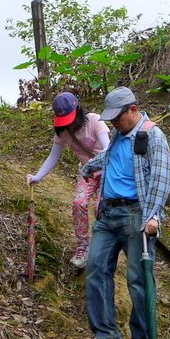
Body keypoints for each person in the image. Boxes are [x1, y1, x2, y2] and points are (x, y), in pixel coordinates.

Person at [77, 86, 170, 339]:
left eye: (117, 118)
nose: (114, 124)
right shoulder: (118, 135)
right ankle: (106, 334)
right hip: (107, 215)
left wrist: (153, 216)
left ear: (133, 110)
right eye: (111, 120)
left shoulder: (152, 136)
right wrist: (88, 167)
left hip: (136, 215)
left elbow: (161, 179)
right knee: (96, 268)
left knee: (137, 279)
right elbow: (109, 158)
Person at [27, 92, 110, 269]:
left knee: (100, 207)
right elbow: (53, 156)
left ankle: (102, 247)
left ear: (77, 109)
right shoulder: (63, 132)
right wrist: (38, 176)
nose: (69, 123)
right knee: (78, 203)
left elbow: (108, 150)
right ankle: (83, 248)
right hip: (86, 175)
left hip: (107, 171)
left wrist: (93, 165)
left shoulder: (95, 120)